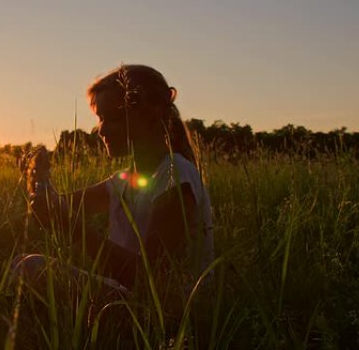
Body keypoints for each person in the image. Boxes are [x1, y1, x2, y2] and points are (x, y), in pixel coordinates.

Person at [17, 65, 214, 302]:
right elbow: (59, 205)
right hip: (128, 294)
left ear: (146, 114)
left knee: (32, 267)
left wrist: (67, 225)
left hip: (165, 309)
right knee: (22, 265)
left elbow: (146, 276)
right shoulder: (124, 181)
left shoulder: (178, 178)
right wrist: (39, 182)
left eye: (112, 117)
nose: (101, 130)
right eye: (100, 118)